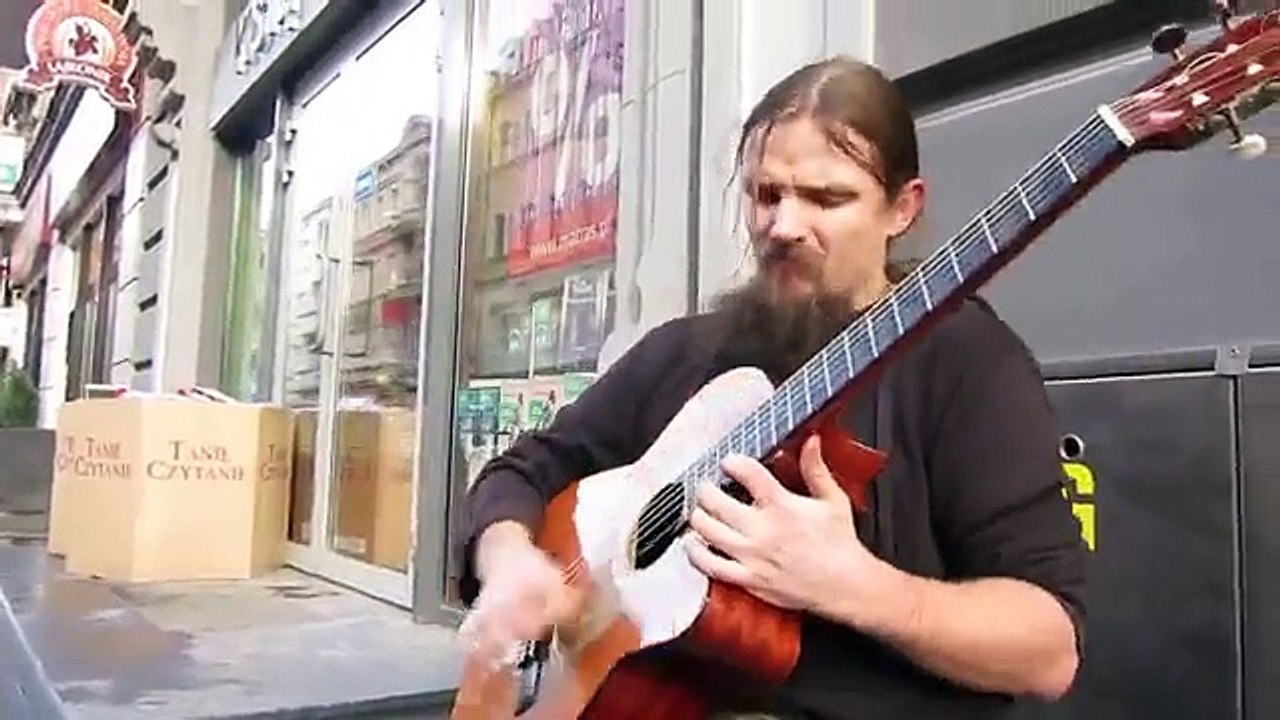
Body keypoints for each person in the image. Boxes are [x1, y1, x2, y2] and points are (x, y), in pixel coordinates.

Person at [453, 56, 1088, 719]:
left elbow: (1048, 651)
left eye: (826, 198)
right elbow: (524, 470)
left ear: (903, 208)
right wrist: (508, 560)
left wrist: (861, 589)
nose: (782, 226)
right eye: (765, 194)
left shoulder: (966, 364)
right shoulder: (684, 351)